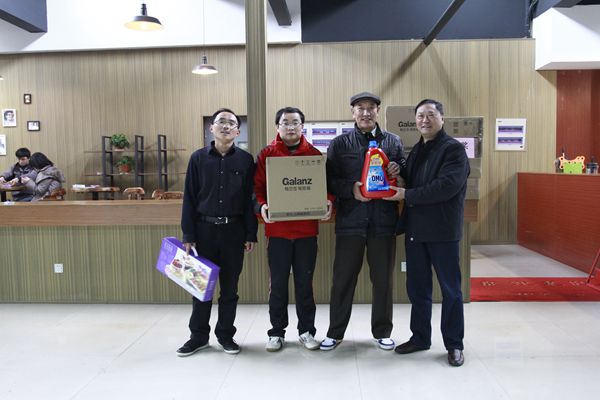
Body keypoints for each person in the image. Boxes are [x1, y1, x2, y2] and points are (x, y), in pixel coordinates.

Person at [386, 99, 470, 367]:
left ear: (442, 118)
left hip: (443, 230)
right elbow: (412, 179)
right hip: (416, 230)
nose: (425, 120)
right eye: (420, 115)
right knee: (418, 288)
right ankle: (420, 337)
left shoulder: (453, 150)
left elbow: (446, 186)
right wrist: (398, 172)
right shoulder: (418, 149)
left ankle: (454, 344)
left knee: (450, 290)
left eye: (430, 115)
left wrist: (406, 194)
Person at [320, 92, 404, 351]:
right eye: (360, 108)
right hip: (350, 222)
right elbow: (329, 180)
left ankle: (382, 332)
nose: (366, 113)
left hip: (383, 222)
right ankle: (335, 332)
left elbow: (403, 171)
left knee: (383, 281)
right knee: (343, 280)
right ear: (353, 112)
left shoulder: (393, 141)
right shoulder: (339, 143)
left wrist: (397, 169)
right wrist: (351, 189)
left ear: (378, 111)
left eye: (371, 108)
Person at [177, 108, 258, 357]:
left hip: (234, 231)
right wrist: (188, 235)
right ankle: (198, 337)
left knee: (230, 290)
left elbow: (249, 200)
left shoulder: (245, 160)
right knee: (200, 288)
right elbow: (189, 198)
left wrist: (250, 234)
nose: (225, 126)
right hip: (204, 232)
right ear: (211, 128)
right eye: (220, 121)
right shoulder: (198, 158)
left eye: (231, 123)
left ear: (237, 131)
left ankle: (226, 335)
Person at [254, 107, 333, 352]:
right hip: (277, 232)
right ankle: (276, 332)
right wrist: (262, 206)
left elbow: (326, 187)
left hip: (306, 232)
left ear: (302, 126)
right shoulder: (267, 154)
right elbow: (257, 189)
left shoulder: (314, 155)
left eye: (295, 122)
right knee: (277, 285)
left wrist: (328, 201)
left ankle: (306, 331)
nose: (290, 127)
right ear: (277, 127)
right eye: (285, 122)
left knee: (304, 284)